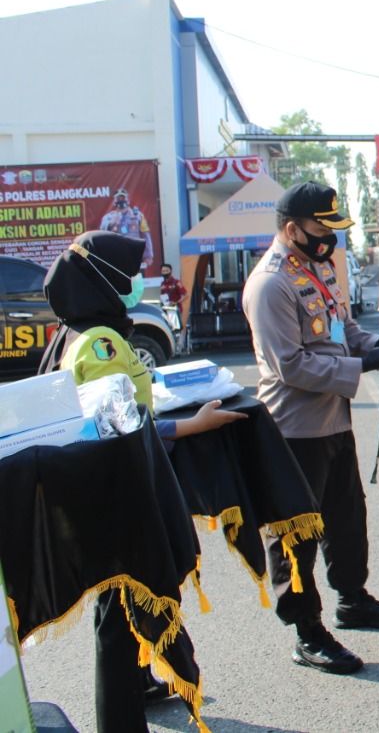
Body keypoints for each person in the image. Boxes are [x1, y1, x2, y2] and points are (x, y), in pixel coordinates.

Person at [39, 230, 247, 733]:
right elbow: (119, 426)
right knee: (120, 614)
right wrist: (192, 425)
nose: (135, 284)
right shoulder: (101, 341)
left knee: (126, 606)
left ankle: (138, 687)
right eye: (128, 275)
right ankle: (120, 721)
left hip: (114, 485)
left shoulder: (84, 330)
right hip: (118, 491)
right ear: (103, 279)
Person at [242, 182, 379, 676]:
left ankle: (353, 599)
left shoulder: (316, 270)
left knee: (346, 518)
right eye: (321, 231)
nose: (328, 241)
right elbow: (289, 365)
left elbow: (342, 331)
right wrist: (362, 368)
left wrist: (378, 344)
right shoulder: (270, 284)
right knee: (296, 535)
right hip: (294, 429)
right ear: (292, 229)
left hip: (333, 419)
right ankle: (307, 632)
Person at [100, 188, 154, 267]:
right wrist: (112, 223)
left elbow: (145, 235)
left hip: (134, 255)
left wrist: (148, 255)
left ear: (128, 200)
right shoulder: (108, 217)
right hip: (116, 257)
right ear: (114, 201)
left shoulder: (138, 215)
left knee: (136, 278)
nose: (121, 200)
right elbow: (102, 233)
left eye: (123, 198)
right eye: (118, 198)